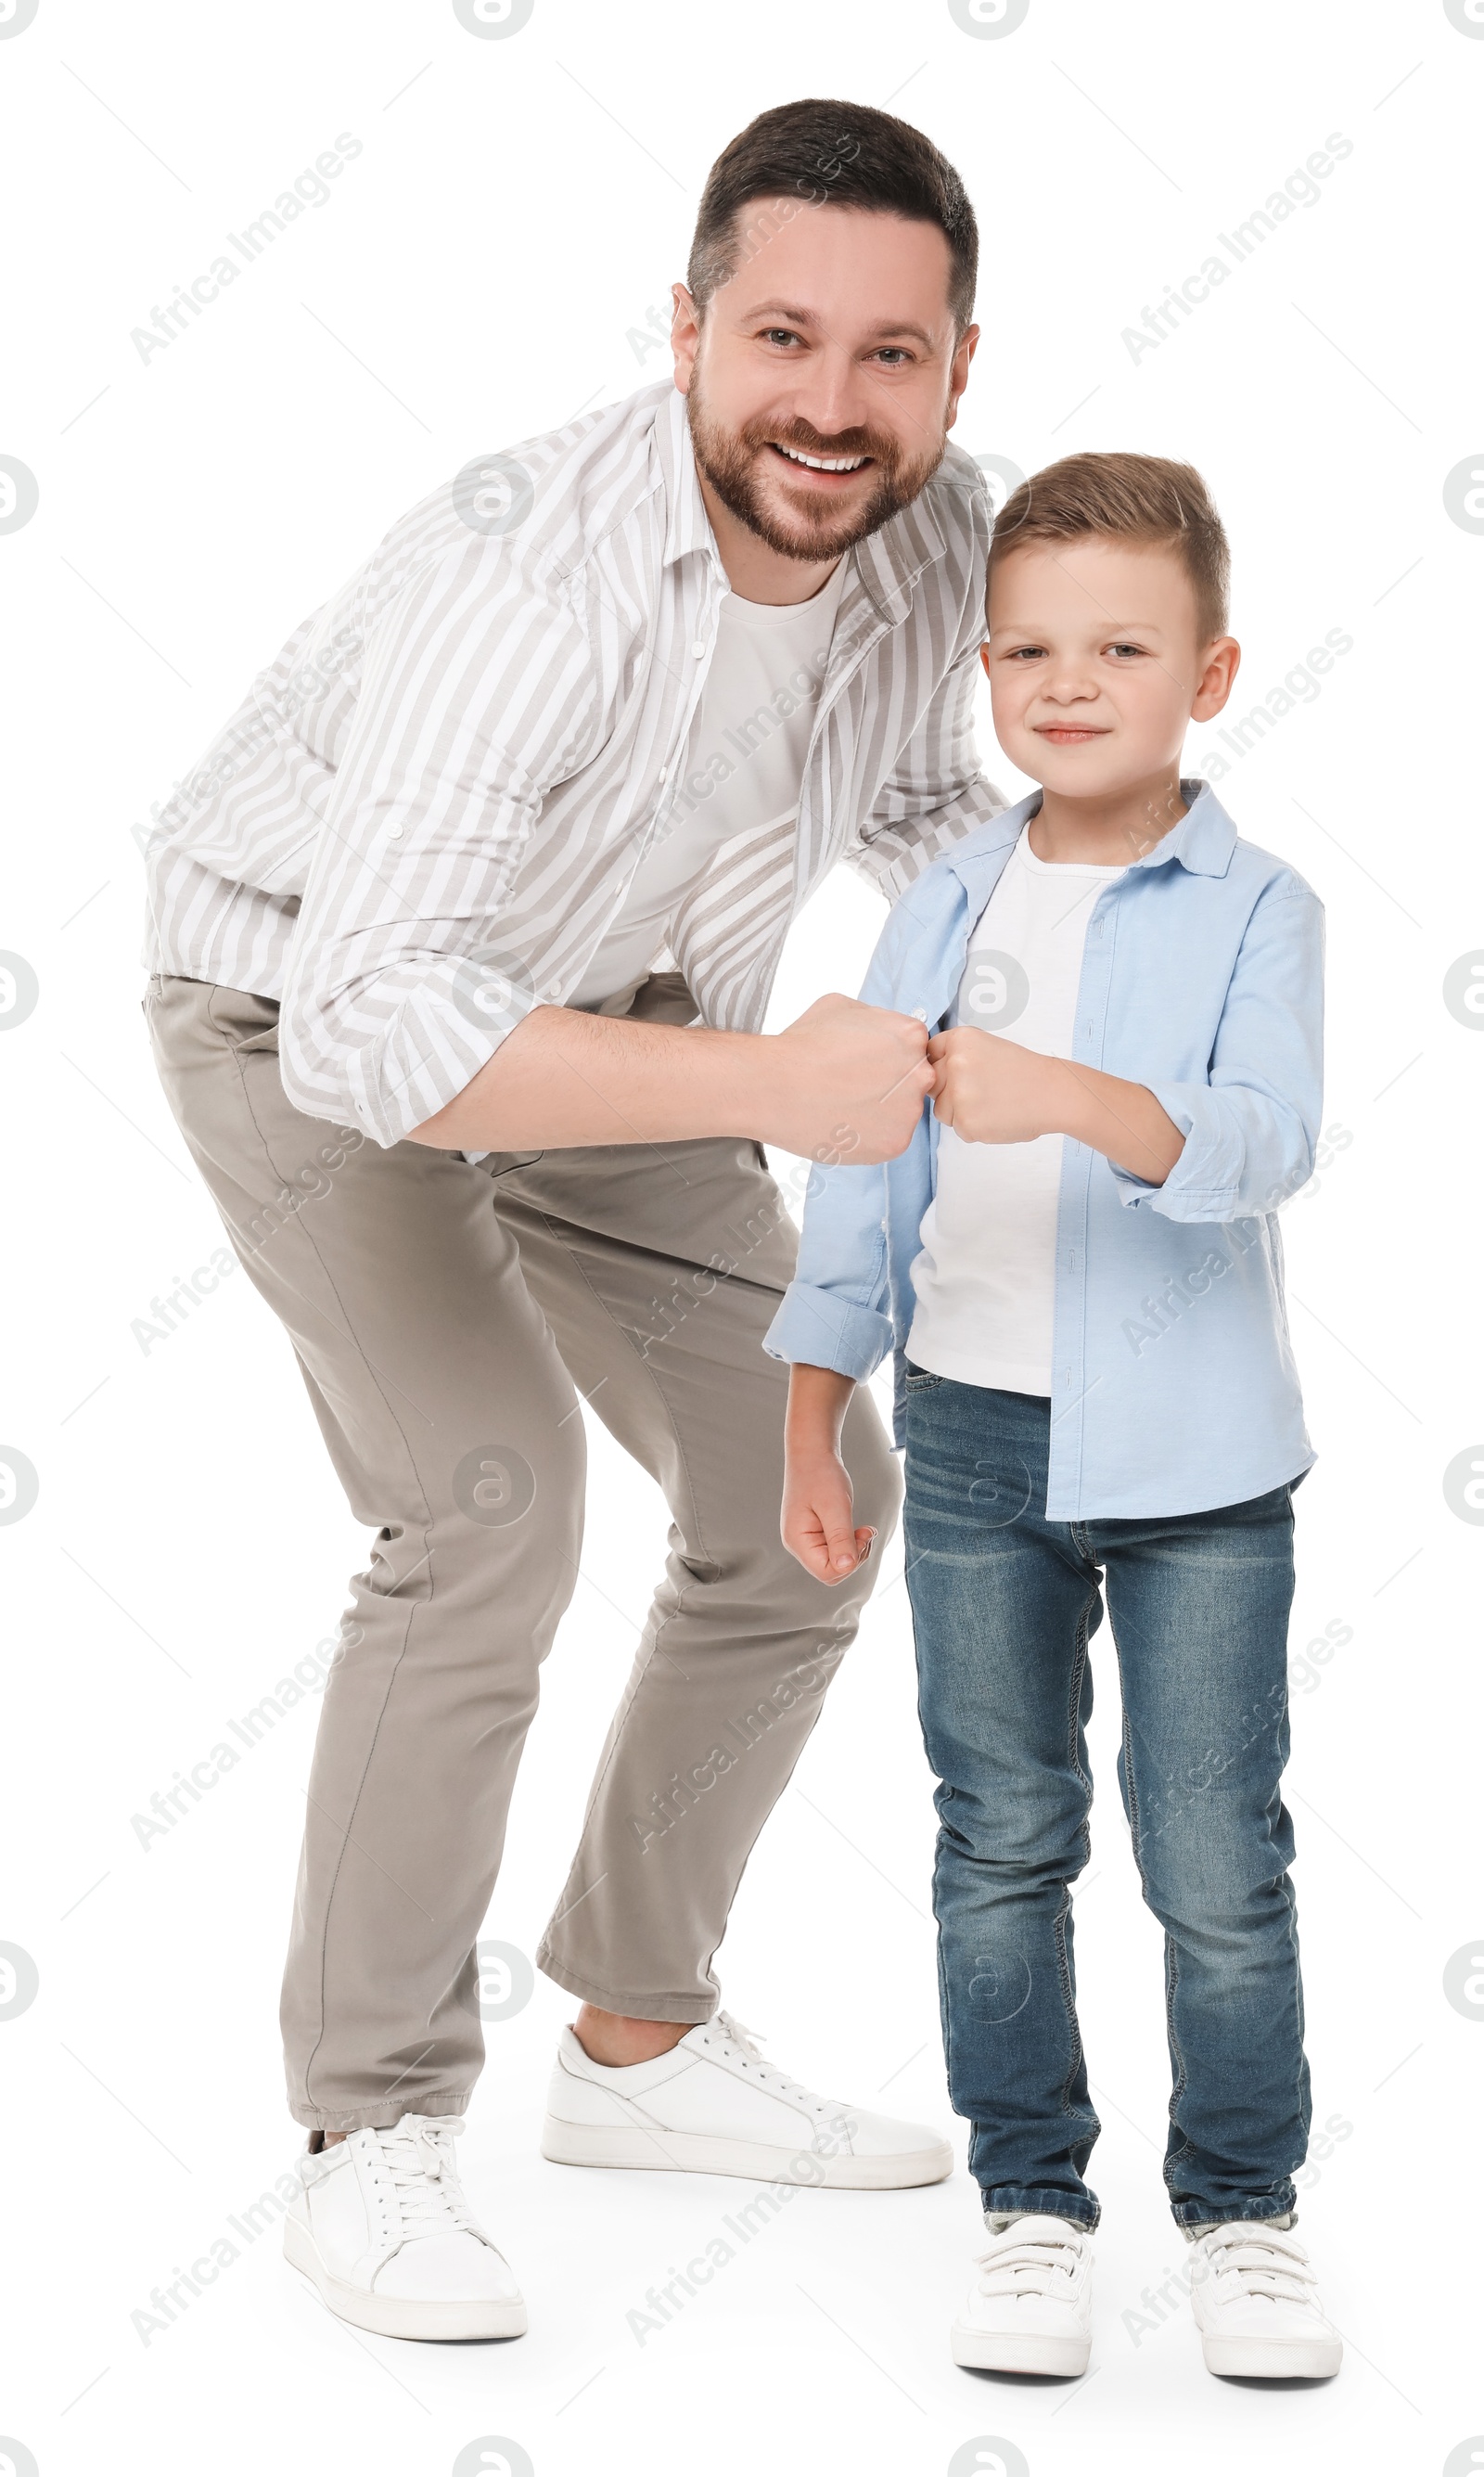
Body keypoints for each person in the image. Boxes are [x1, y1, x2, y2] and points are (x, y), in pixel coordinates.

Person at [142, 97, 1007, 2341]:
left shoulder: (926, 537)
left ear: (955, 367)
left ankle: (634, 2031)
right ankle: (369, 2126)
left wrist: (1090, 942)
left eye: (887, 357)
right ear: (688, 330)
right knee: (486, 1513)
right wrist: (780, 1093)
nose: (828, 405)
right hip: (302, 1012)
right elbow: (373, 1029)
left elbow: (911, 793)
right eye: (781, 338)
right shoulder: (519, 578)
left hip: (605, 1021)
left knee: (805, 1491)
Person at [772, 451, 1344, 2381]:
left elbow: (1259, 1145)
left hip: (1196, 1469)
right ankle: (1030, 2207)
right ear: (984, 670)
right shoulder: (938, 896)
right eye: (1025, 646)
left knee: (1209, 1857)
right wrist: (804, 1419)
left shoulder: (1259, 907)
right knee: (996, 1837)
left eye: (1117, 643)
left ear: (1211, 668)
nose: (1065, 679)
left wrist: (1069, 1094)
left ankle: (1243, 2217)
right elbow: (856, 1179)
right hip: (969, 1447)